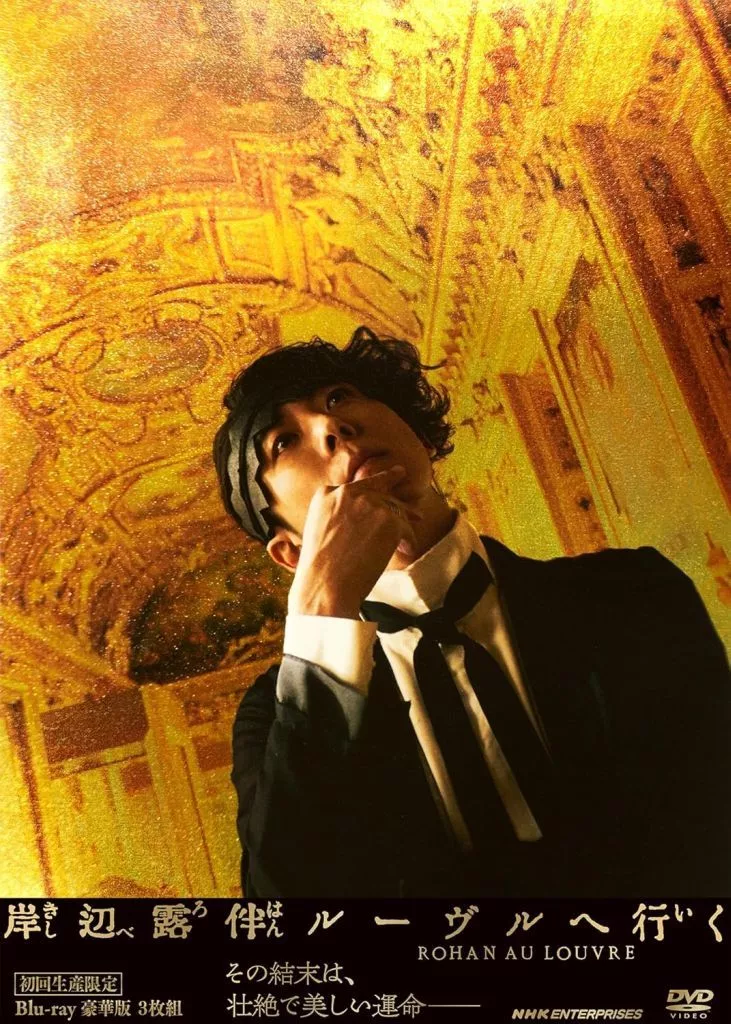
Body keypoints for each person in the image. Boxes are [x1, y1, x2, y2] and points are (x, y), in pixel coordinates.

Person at [213, 326, 730, 897]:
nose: (330, 426)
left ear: (418, 435)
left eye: (339, 397)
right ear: (290, 551)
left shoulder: (633, 589)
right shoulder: (273, 716)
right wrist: (322, 611)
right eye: (283, 442)